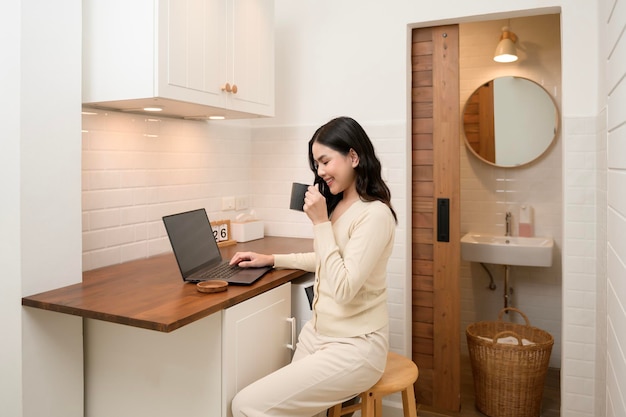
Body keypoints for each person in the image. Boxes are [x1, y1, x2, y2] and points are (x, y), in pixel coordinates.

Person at [229, 116, 397, 417]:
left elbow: (344, 288)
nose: (320, 172)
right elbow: (327, 259)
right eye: (316, 165)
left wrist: (320, 222)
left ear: (354, 157)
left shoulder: (375, 215)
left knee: (246, 405)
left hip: (355, 347)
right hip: (318, 334)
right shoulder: (341, 205)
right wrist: (272, 260)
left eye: (325, 161)